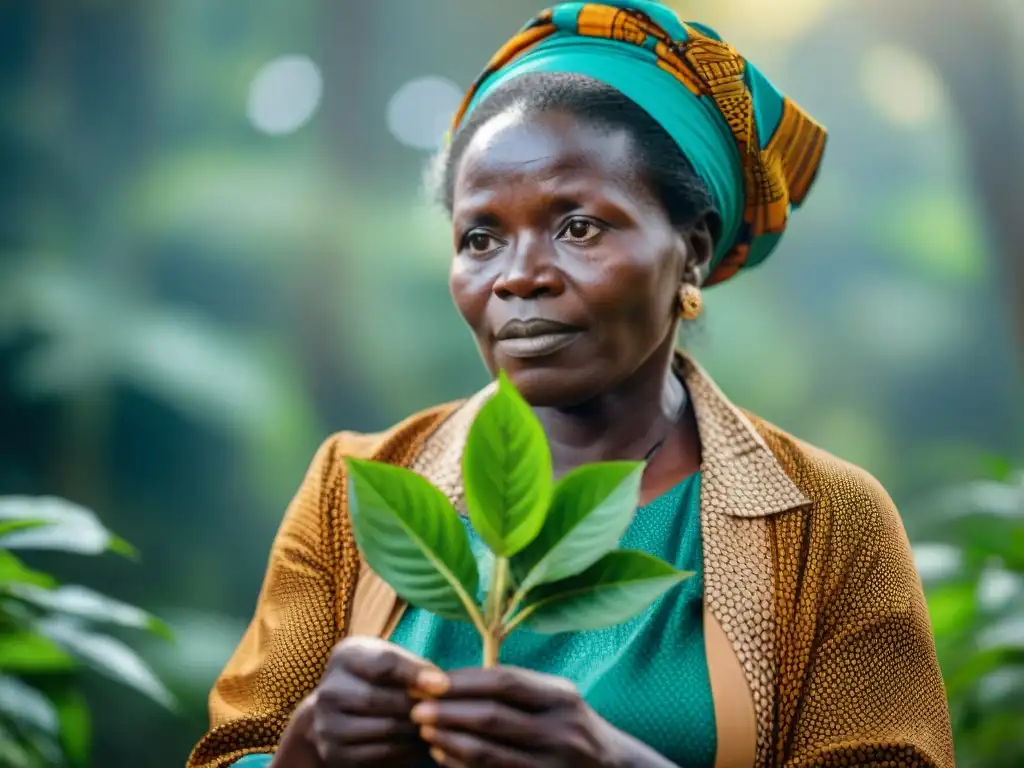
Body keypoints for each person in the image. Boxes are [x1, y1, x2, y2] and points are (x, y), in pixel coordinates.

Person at [186, 2, 954, 767]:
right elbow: (233, 752)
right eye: (480, 237)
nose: (518, 277)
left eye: (578, 227)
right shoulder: (356, 493)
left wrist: (618, 764)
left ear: (689, 253)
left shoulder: (828, 524)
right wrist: (306, 752)